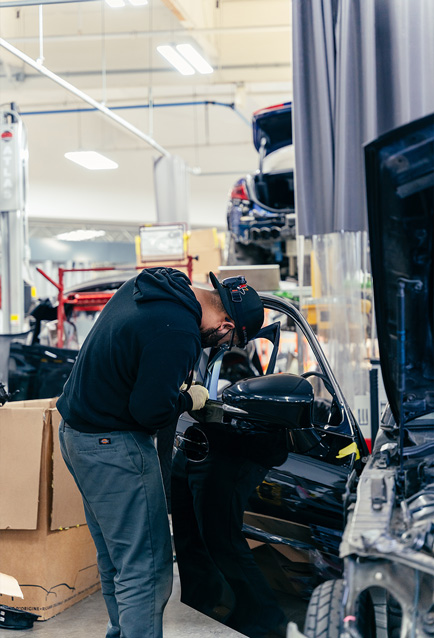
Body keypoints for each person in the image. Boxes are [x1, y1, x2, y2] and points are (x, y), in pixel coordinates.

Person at [57, 267, 264, 638]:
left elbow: (136, 355)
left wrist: (171, 378)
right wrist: (188, 397)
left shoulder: (155, 284)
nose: (218, 347)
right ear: (225, 325)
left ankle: (120, 632)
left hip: (78, 437)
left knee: (118, 560)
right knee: (146, 569)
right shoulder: (179, 330)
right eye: (227, 341)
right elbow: (150, 411)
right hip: (113, 447)